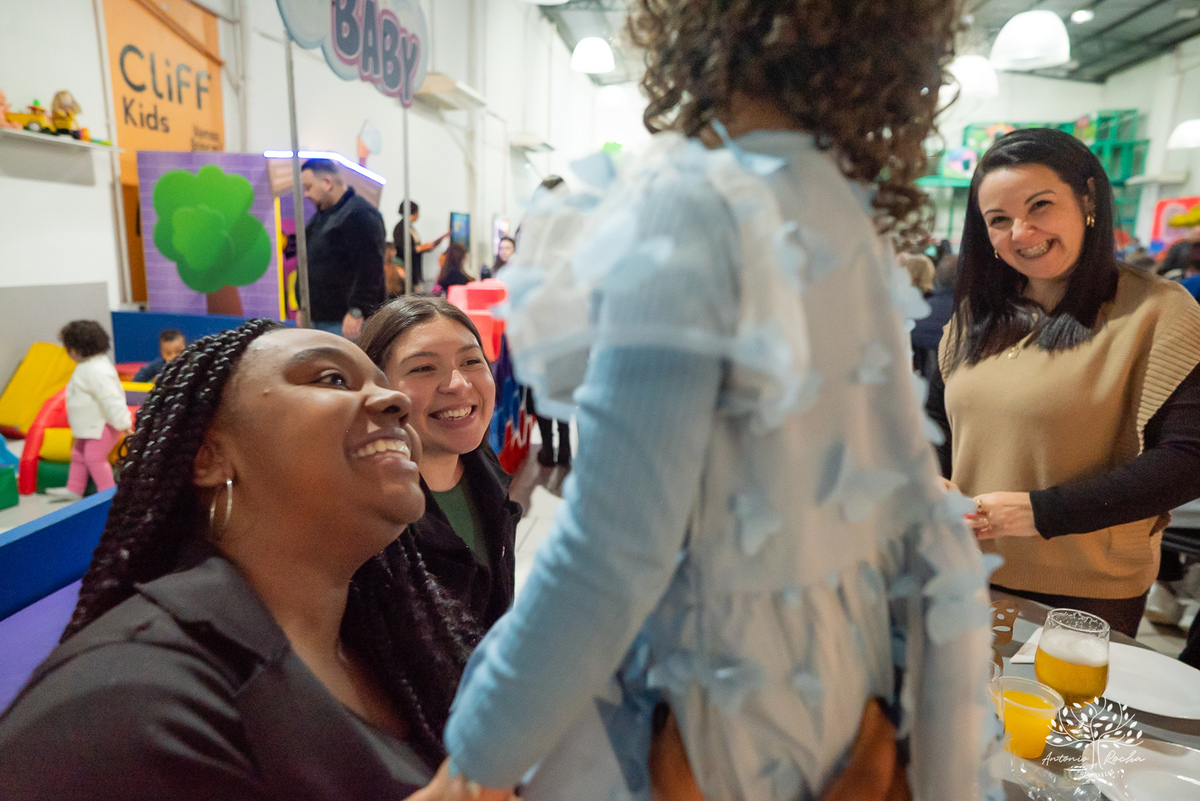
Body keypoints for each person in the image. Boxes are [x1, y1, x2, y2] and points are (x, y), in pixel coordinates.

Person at [430, 2, 990, 801]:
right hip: (827, 678)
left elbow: (613, 548)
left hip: (718, 695)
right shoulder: (835, 211)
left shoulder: (699, 203)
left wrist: (470, 764)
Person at [0, 322, 477, 799]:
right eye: (331, 379)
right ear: (209, 457)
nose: (398, 402)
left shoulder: (388, 645)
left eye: (386, 384)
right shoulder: (125, 707)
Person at [929, 128, 1200, 639]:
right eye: (999, 220)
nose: (1022, 233)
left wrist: (1039, 512)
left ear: (1088, 199)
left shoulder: (1157, 311)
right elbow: (936, 428)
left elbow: (1188, 460)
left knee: (1061, 720)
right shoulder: (974, 317)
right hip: (962, 574)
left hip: (1083, 595)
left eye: (1040, 207)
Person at [359, 297, 518, 631]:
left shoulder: (486, 471)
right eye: (423, 368)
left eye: (472, 361)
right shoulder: (369, 522)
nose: (458, 384)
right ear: (379, 390)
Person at [45, 321, 133, 503]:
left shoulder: (96, 369)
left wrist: (124, 425)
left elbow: (111, 398)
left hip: (101, 426)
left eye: (68, 348)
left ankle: (108, 494)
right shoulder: (88, 366)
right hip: (87, 427)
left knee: (94, 458)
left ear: (77, 349)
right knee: (78, 455)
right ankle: (74, 488)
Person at [301, 158, 387, 338]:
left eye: (308, 187)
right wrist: (303, 306)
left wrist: (358, 310)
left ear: (327, 182)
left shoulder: (359, 214)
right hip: (319, 318)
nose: (306, 194)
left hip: (344, 322)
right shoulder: (320, 218)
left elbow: (370, 267)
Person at [393, 201, 449, 291]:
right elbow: (402, 248)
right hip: (406, 268)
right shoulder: (400, 228)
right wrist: (420, 248)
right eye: (417, 212)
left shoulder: (409, 227)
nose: (418, 215)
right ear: (412, 212)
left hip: (415, 267)